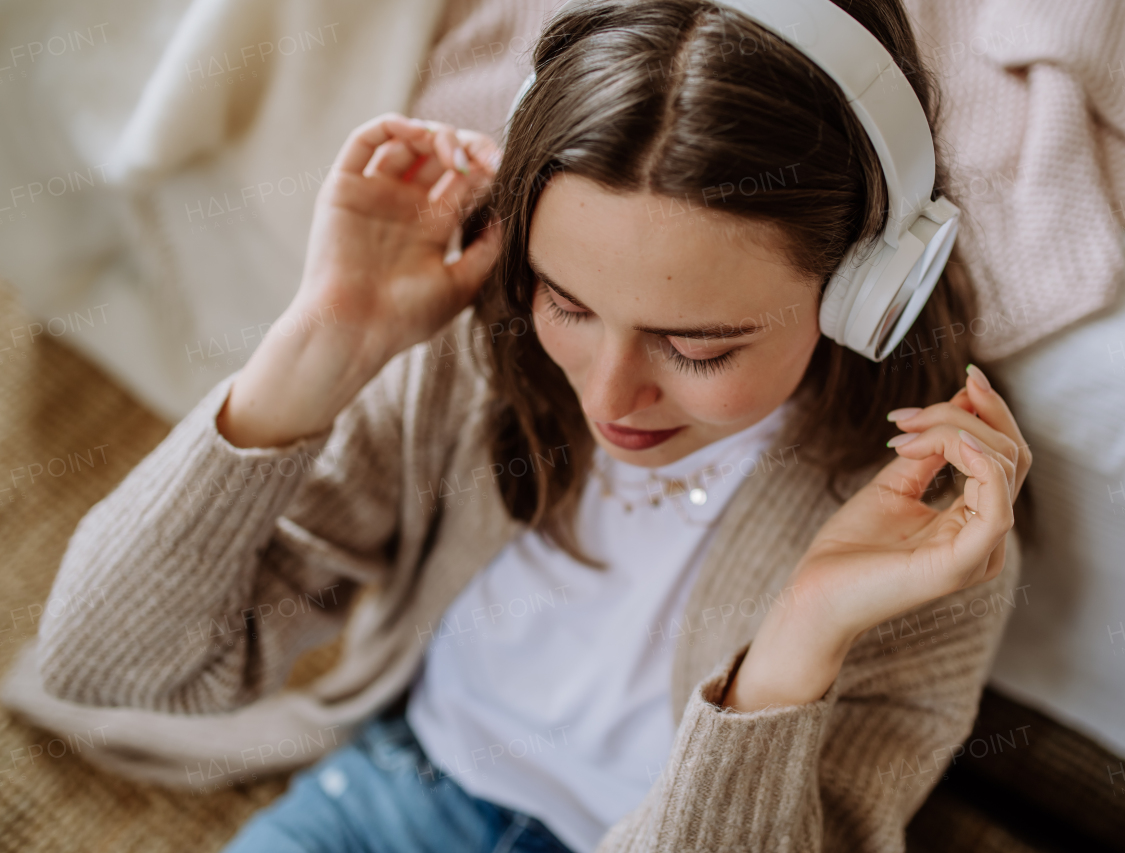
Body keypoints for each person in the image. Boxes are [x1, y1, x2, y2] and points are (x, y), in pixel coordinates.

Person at [35, 0, 1032, 850]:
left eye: (697, 346)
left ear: (865, 289)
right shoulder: (473, 366)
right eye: (567, 301)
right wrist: (319, 344)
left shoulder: (930, 527)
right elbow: (107, 661)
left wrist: (796, 643)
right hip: (396, 797)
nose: (605, 398)